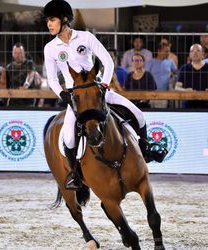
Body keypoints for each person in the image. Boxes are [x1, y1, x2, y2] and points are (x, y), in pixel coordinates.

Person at [43, 0, 167, 190]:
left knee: (139, 115)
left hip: (99, 91)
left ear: (64, 19)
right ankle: (75, 174)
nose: (49, 24)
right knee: (68, 138)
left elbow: (107, 61)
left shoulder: (85, 37)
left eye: (52, 20)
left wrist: (104, 84)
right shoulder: (50, 48)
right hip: (75, 99)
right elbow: (51, 78)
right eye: (47, 21)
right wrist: (63, 95)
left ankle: (145, 151)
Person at [6, 43, 43, 107]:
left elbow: (31, 74)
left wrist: (25, 87)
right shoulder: (9, 67)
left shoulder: (29, 63)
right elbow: (7, 85)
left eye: (20, 53)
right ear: (12, 54)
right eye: (15, 53)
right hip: (14, 100)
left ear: (24, 53)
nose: (18, 55)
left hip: (28, 99)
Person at [175, 43, 208, 109]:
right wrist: (185, 90)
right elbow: (177, 87)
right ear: (190, 55)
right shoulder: (184, 68)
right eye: (192, 51)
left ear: (203, 55)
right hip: (188, 105)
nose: (195, 53)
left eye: (198, 51)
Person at [145, 44, 177, 108]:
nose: (168, 53)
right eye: (166, 51)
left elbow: (176, 72)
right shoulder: (151, 62)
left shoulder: (170, 62)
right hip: (151, 94)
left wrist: (172, 76)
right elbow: (145, 76)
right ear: (159, 51)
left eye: (169, 51)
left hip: (164, 95)